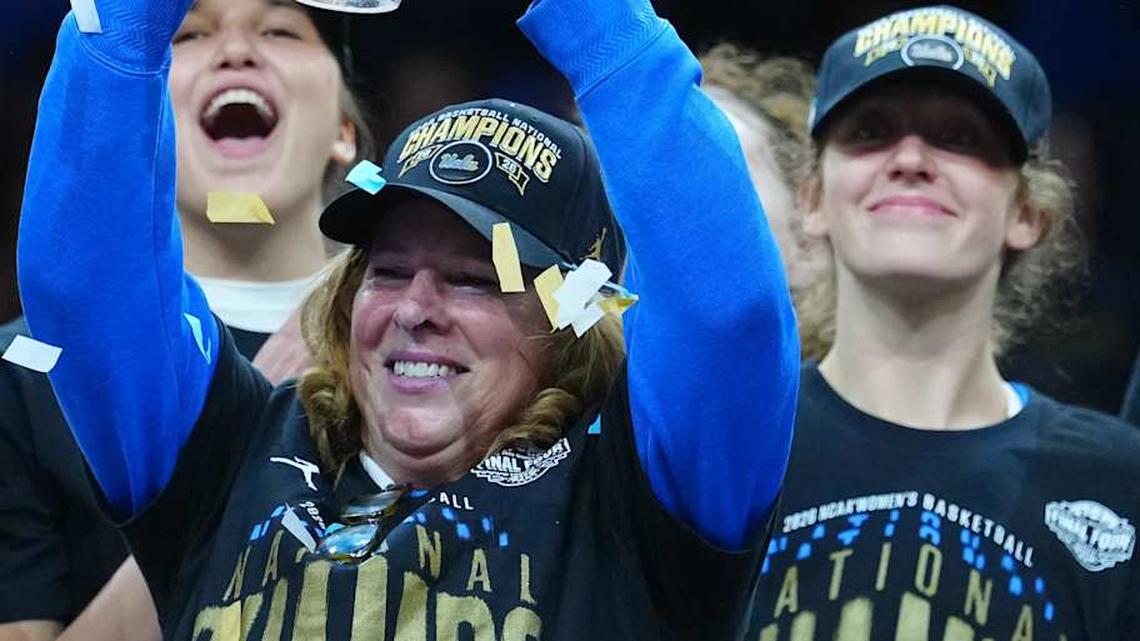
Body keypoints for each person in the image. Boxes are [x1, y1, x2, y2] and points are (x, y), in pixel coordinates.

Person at [18, 0, 799, 639]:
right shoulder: (231, 452)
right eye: (387, 272)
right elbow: (82, 284)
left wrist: (594, 21)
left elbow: (728, 315)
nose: (416, 310)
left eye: (471, 280)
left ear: (569, 318)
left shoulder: (640, 493)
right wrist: (124, 20)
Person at [748, 6, 1140, 641]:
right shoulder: (732, 439)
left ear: (1029, 214)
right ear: (813, 200)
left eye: (959, 137)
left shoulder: (1119, 480)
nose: (909, 158)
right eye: (871, 131)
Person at [0, 0, 372, 639]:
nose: (235, 50)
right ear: (144, 112)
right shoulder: (26, 372)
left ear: (344, 128)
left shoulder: (444, 341)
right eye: (190, 33)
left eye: (279, 29)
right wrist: (236, 453)